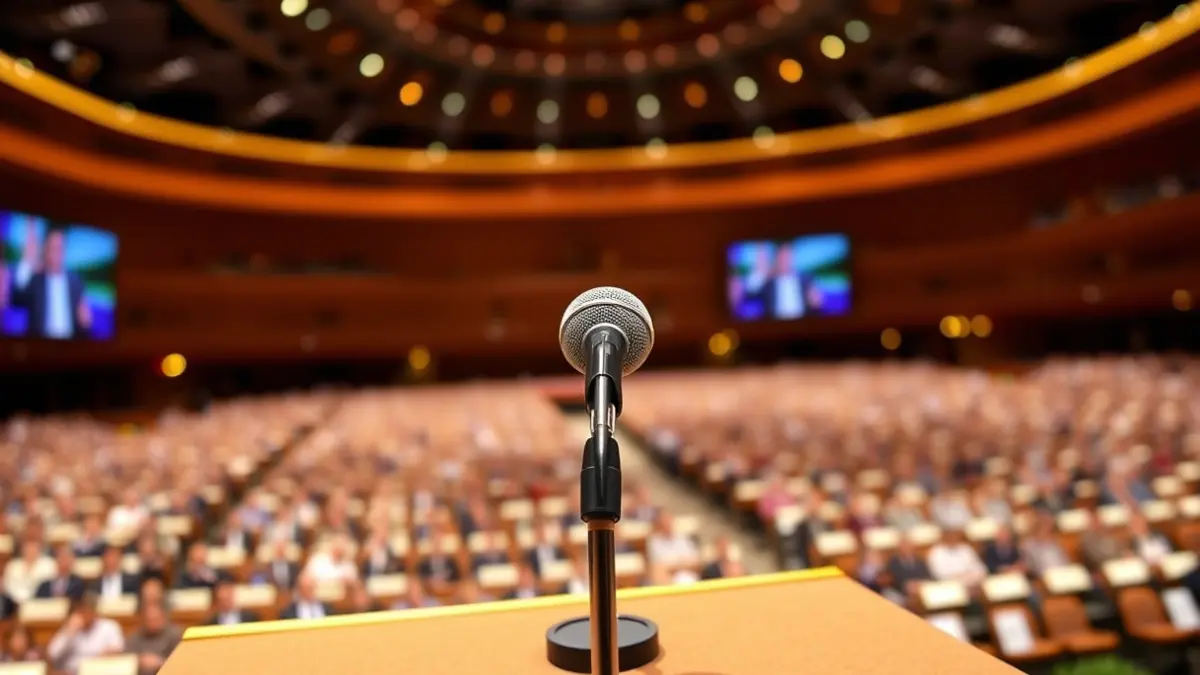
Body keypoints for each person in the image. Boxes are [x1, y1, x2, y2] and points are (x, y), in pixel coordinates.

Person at [8, 221, 92, 340]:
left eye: (60, 248)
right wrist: (26, 260)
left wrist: (86, 324)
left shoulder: (76, 283)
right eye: (53, 248)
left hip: (71, 350)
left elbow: (84, 326)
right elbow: (16, 299)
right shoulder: (36, 280)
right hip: (39, 348)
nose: (57, 253)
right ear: (46, 250)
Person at [47, 592, 125, 674]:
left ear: (94, 611)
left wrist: (105, 656)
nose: (81, 615)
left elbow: (119, 650)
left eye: (85, 611)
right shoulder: (69, 628)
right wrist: (69, 634)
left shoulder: (109, 627)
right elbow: (53, 655)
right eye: (79, 611)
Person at [124, 602, 183, 675]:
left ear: (163, 618)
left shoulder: (175, 635)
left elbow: (182, 662)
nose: (152, 623)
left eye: (155, 619)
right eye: (149, 620)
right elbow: (126, 659)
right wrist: (139, 660)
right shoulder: (135, 637)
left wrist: (160, 662)